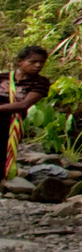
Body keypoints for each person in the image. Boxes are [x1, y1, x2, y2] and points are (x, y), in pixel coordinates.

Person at [1, 45, 50, 178]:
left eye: (41, 62)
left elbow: (24, 104)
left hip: (9, 127)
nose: (38, 65)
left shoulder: (41, 83)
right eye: (33, 62)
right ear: (20, 62)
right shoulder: (2, 77)